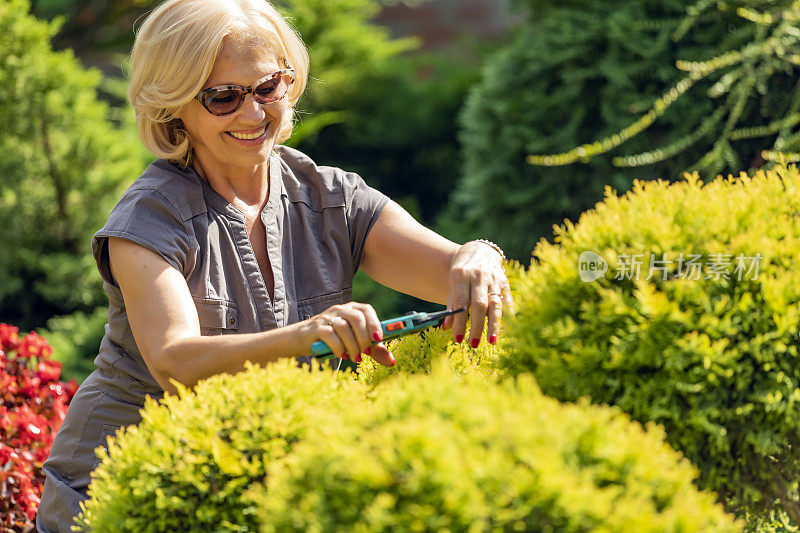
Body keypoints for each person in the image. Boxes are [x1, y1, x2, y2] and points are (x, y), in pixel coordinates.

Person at [36, 0, 514, 530]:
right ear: (174, 108)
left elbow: (447, 267)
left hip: (253, 486)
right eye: (222, 97)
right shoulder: (149, 219)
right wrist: (306, 337)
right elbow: (177, 363)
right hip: (117, 489)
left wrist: (478, 256)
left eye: (267, 87)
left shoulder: (330, 196)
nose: (253, 113)